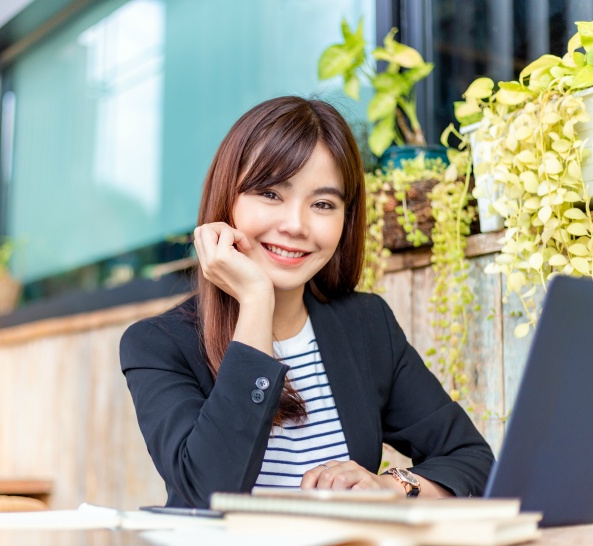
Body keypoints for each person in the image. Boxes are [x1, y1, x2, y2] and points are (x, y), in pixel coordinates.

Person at [120, 96, 494, 509]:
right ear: (227, 199)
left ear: (345, 221)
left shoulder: (367, 325)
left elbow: (473, 459)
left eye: (322, 204)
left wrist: (389, 487)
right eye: (270, 193)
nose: (296, 225)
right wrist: (256, 300)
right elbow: (205, 494)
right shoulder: (159, 344)